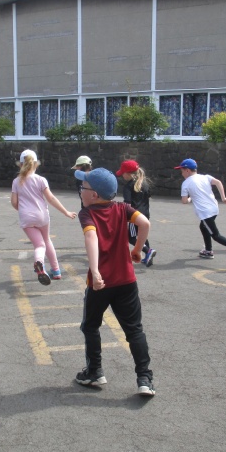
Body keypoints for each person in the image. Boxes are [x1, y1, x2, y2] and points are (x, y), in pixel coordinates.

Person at [73, 167, 155, 396]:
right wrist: (137, 250)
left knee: (90, 326)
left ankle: (94, 371)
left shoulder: (87, 213)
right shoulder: (122, 208)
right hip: (126, 280)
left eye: (83, 187)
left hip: (101, 283)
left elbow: (91, 237)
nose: (80, 190)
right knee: (134, 330)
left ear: (94, 195)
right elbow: (145, 224)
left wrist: (95, 271)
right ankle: (145, 378)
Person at [11, 149, 77, 285]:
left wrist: (22, 210)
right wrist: (66, 212)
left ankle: (39, 262)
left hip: (26, 217)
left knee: (39, 245)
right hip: (42, 216)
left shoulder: (16, 181)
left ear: (20, 165)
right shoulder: (41, 180)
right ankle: (56, 270)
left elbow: (14, 202)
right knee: (46, 240)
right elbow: (51, 198)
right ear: (36, 164)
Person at [175, 158, 226, 261]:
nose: (181, 174)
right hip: (214, 209)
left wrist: (190, 198)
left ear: (187, 170)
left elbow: (184, 201)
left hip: (205, 213)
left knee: (215, 235)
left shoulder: (186, 183)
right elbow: (218, 182)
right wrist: (223, 197)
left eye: (182, 171)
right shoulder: (205, 177)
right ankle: (208, 251)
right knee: (203, 227)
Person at [116, 159, 156, 266]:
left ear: (128, 173)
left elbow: (127, 204)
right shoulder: (145, 184)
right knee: (142, 235)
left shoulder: (128, 186)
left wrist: (123, 216)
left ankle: (148, 251)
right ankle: (148, 257)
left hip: (134, 216)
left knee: (131, 237)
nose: (122, 175)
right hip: (145, 214)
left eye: (123, 173)